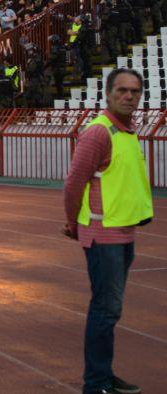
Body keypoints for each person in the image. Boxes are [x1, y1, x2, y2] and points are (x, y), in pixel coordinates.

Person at [62, 69, 151, 394]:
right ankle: (96, 383)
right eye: (123, 90)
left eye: (135, 91)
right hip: (104, 237)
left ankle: (102, 374)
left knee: (109, 309)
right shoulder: (98, 133)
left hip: (124, 234)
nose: (130, 96)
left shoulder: (126, 132)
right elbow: (73, 183)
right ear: (108, 94)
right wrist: (73, 223)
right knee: (106, 308)